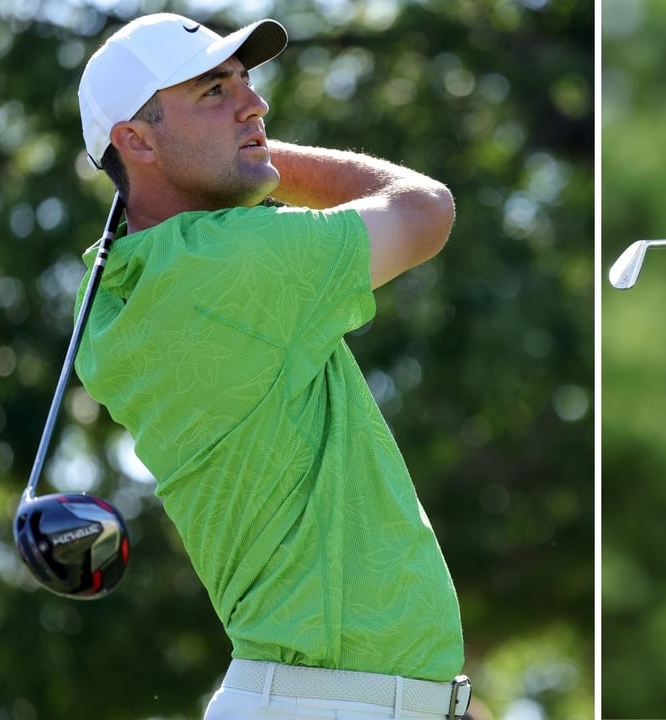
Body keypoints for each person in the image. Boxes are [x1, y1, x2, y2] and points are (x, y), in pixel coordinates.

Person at [73, 13, 472, 719]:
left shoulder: (115, 293)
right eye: (213, 93)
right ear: (135, 140)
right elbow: (425, 210)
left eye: (246, 84)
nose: (254, 105)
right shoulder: (229, 263)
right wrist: (266, 157)